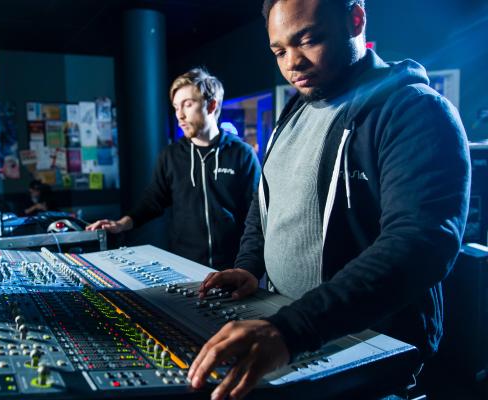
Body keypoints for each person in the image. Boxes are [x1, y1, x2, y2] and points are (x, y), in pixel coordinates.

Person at [187, 0, 471, 399]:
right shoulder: (294, 111)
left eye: (308, 40)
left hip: (368, 349)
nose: (292, 63)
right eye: (279, 51)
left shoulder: (414, 110)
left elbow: (420, 244)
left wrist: (292, 328)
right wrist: (249, 266)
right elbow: (266, 199)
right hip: (295, 330)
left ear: (355, 19)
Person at [86, 68, 261, 270]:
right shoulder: (170, 156)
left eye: (188, 104)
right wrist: (121, 224)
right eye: (176, 107)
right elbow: (153, 201)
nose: (180, 115)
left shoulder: (242, 154)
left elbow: (256, 216)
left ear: (211, 105)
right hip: (185, 266)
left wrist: (248, 268)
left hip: (232, 268)